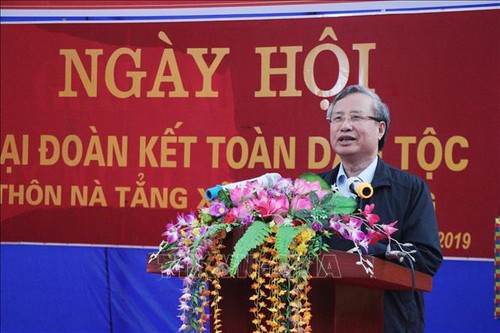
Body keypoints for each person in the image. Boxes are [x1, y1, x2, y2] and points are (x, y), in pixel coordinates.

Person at [319, 84, 443, 333]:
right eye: (337, 118)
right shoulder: (313, 190)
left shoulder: (409, 189)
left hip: (390, 323)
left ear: (380, 128)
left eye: (355, 117)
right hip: (321, 320)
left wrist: (373, 251)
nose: (345, 126)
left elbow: (427, 258)